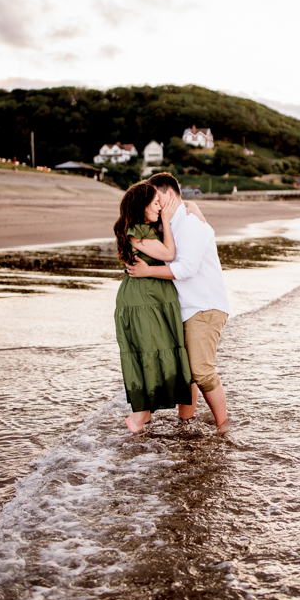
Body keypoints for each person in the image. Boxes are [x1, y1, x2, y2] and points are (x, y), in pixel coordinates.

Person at [126, 172, 231, 435]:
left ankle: (224, 427)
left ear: (170, 195)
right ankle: (186, 424)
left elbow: (186, 269)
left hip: (204, 306)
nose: (154, 204)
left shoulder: (191, 224)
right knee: (186, 372)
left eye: (157, 198)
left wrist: (147, 272)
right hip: (182, 308)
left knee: (201, 370)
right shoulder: (168, 224)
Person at [113, 181, 195, 435]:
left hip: (152, 297)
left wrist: (191, 206)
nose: (160, 208)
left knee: (154, 351)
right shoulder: (138, 230)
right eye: (155, 203)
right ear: (142, 205)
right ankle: (138, 418)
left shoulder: (148, 228)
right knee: (151, 351)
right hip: (143, 300)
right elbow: (169, 254)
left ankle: (145, 418)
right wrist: (168, 220)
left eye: (161, 203)